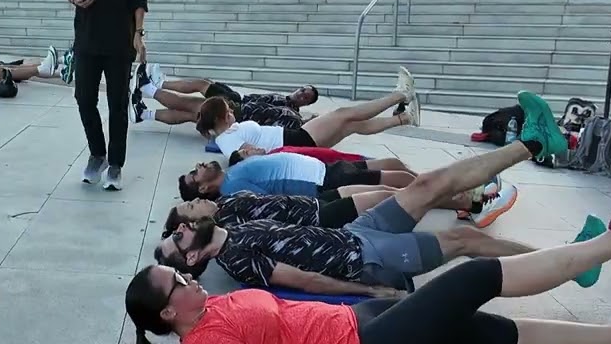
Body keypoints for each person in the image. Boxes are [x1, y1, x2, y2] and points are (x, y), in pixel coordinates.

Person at [123, 169, 611, 344]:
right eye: (177, 280)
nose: (188, 277)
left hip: (363, 329)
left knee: (494, 334)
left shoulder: (207, 307)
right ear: (171, 311)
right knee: (474, 276)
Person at [165, 91, 574, 292]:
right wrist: (369, 290)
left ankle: (533, 144)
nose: (182, 226)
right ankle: (575, 264)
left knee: (424, 183)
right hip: (358, 253)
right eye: (178, 237)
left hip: (350, 224)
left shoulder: (231, 215)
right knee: (464, 241)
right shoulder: (237, 257)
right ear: (194, 254)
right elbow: (305, 281)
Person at [60, 0, 152, 190]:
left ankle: (115, 164)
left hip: (119, 42)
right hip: (86, 39)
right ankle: (97, 154)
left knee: (117, 105)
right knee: (84, 99)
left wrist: (139, 35)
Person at [197, 85, 419, 155]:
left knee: (353, 125)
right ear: (220, 118)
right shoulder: (228, 140)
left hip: (296, 140)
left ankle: (405, 118)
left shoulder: (226, 135)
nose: (232, 110)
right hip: (296, 139)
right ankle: (400, 95)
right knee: (345, 114)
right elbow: (250, 154)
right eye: (229, 110)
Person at [130, 62, 335, 129]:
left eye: (306, 97)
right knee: (192, 113)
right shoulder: (286, 102)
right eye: (302, 91)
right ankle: (144, 113)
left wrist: (308, 120)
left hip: (235, 111)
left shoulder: (293, 117)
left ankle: (150, 88)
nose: (301, 96)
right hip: (238, 104)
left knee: (191, 105)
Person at [178, 152, 420, 201]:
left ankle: (440, 185)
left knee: (391, 164)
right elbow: (267, 202)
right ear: (202, 189)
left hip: (319, 169)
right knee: (390, 177)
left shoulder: (231, 174)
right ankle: (447, 193)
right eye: (195, 173)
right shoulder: (232, 189)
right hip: (317, 181)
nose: (198, 164)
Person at [165, 187, 398, 234]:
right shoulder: (229, 221)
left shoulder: (224, 202)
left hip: (312, 201)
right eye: (192, 206)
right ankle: (430, 194)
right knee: (387, 197)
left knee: (384, 190)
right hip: (317, 216)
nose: (196, 199)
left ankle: (430, 194)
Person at [230, 143, 401, 168]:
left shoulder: (276, 151)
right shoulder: (275, 161)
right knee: (394, 166)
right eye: (246, 153)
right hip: (344, 164)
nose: (250, 148)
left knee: (396, 166)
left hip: (346, 156)